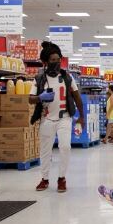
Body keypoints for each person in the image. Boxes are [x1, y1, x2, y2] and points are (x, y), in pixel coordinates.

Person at [30, 42, 85, 193]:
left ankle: (62, 178)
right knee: (46, 150)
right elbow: (30, 98)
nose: (56, 62)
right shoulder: (39, 79)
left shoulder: (67, 78)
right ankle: (45, 178)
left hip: (64, 118)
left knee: (65, 147)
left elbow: (77, 98)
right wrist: (41, 97)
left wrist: (81, 118)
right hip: (46, 119)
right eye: (53, 60)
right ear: (45, 62)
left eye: (58, 59)